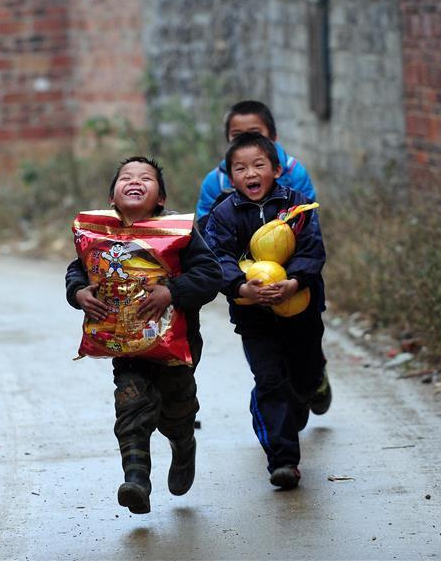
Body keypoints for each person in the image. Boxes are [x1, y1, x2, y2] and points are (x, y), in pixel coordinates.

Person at [65, 157, 221, 514]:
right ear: (113, 197)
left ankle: (183, 445)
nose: (135, 182)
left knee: (175, 411)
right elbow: (79, 268)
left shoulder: (178, 232)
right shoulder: (100, 236)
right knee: (131, 407)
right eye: (126, 178)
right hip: (127, 347)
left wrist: (173, 292)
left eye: (145, 178)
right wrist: (78, 293)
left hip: (175, 347)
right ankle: (136, 481)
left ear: (161, 198)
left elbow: (210, 274)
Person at [203, 133, 331, 490]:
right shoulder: (224, 213)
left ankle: (301, 396)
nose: (250, 173)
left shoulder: (298, 207)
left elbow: (312, 251)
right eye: (240, 168)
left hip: (301, 312)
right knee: (269, 382)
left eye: (259, 165)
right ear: (230, 178)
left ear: (276, 169)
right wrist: (241, 288)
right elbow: (218, 257)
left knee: (303, 378)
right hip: (254, 317)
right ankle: (284, 460)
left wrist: (293, 282)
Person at [195, 100, 316, 232]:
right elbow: (207, 231)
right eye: (237, 135)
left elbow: (307, 224)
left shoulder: (294, 174)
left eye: (255, 133)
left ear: (273, 137)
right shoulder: (216, 181)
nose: (247, 140)